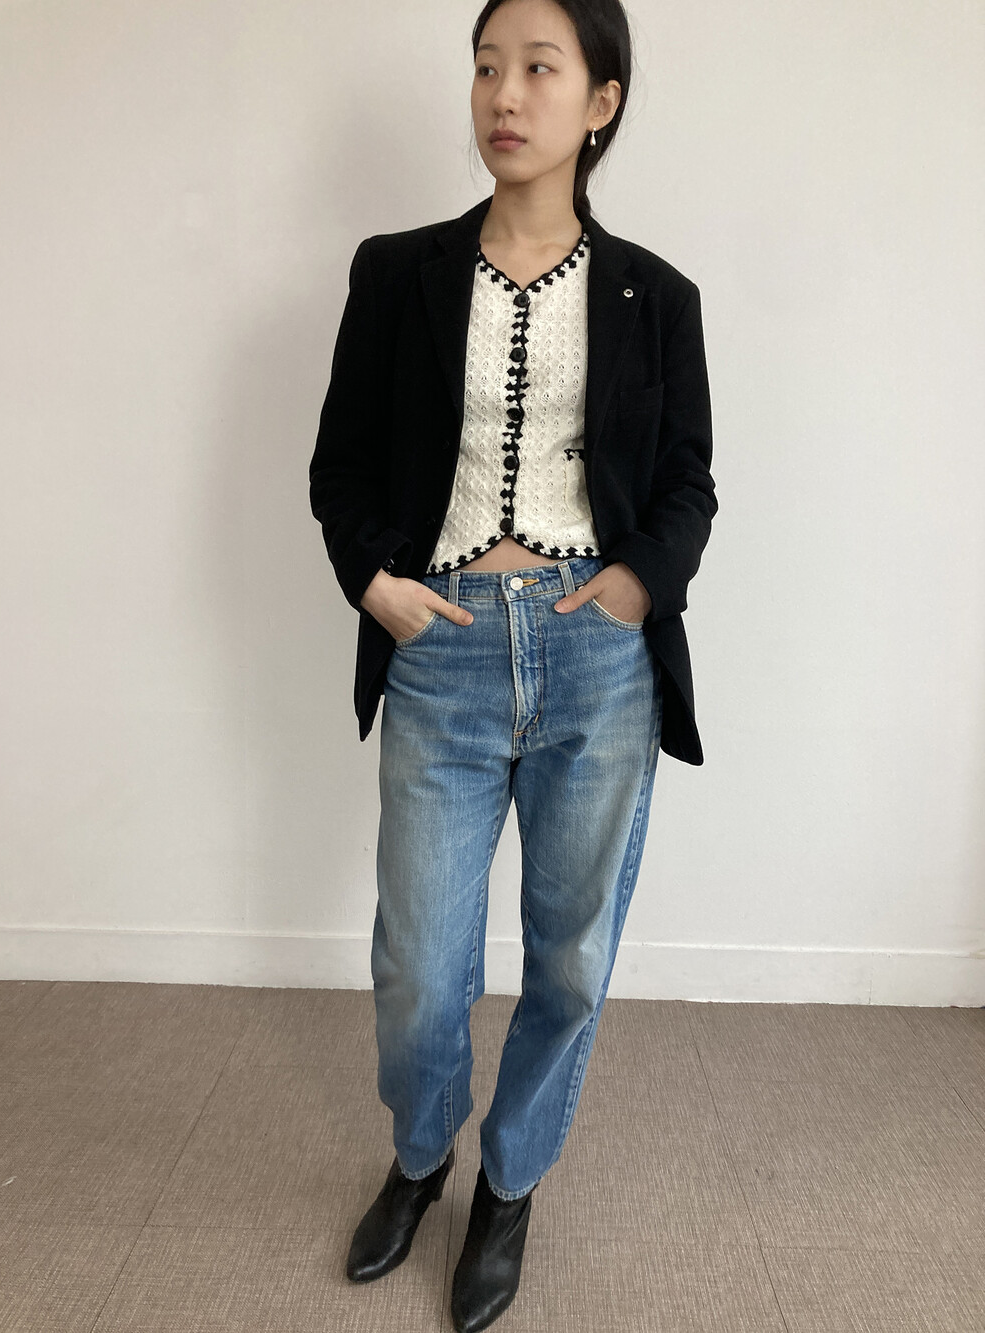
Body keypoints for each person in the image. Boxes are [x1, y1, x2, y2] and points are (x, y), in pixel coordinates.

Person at [309, 1, 716, 1328]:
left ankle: (511, 1182)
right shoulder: (399, 274)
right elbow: (342, 466)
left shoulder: (658, 295)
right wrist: (377, 581)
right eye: (487, 66)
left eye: (540, 68)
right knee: (421, 964)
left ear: (600, 103)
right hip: (445, 647)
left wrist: (635, 585)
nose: (504, 93)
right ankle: (424, 1151)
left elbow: (689, 485)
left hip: (598, 658)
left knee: (570, 957)